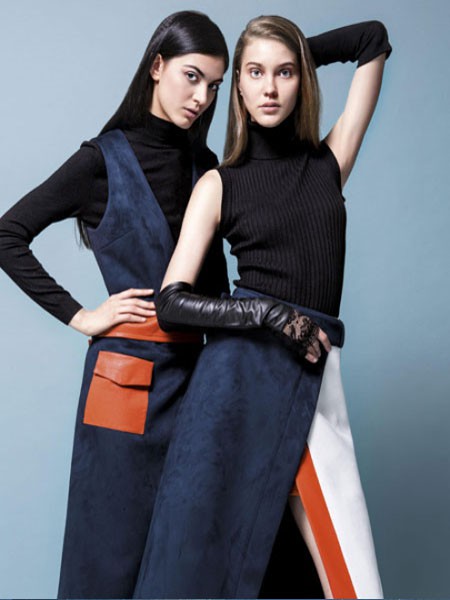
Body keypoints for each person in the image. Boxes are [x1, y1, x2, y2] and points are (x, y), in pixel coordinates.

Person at [131, 16, 392, 600]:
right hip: (238, 383)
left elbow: (372, 39)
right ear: (238, 90)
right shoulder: (218, 185)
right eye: (254, 74)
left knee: (348, 581)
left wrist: (292, 55)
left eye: (284, 74)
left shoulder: (328, 163)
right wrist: (267, 315)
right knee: (201, 567)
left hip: (311, 374)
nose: (270, 88)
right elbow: (171, 301)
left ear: (301, 81)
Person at [0, 11, 230, 599]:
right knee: (105, 556)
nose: (202, 98)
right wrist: (82, 316)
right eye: (191, 77)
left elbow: (219, 293)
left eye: (214, 86)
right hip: (123, 381)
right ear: (157, 67)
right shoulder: (101, 161)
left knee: (186, 561)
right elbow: (8, 234)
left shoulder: (207, 169)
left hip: (196, 381)